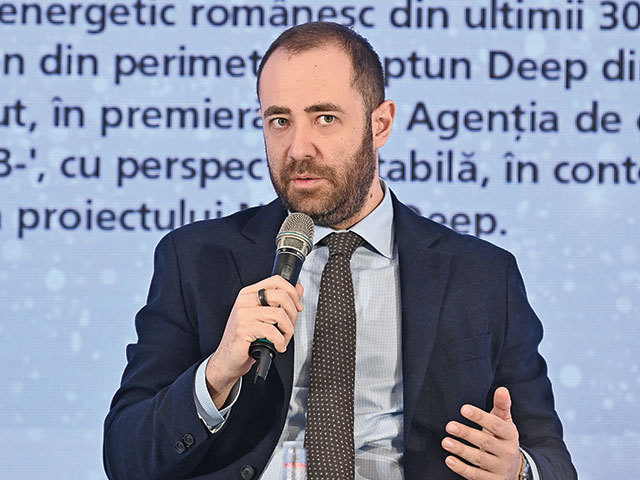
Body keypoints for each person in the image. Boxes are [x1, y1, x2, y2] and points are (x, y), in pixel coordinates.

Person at [103, 22, 576, 480]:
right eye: (280, 121)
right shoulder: (195, 259)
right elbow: (125, 457)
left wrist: (516, 470)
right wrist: (215, 375)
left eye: (325, 118)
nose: (298, 148)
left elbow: (551, 458)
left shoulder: (482, 275)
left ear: (380, 124)